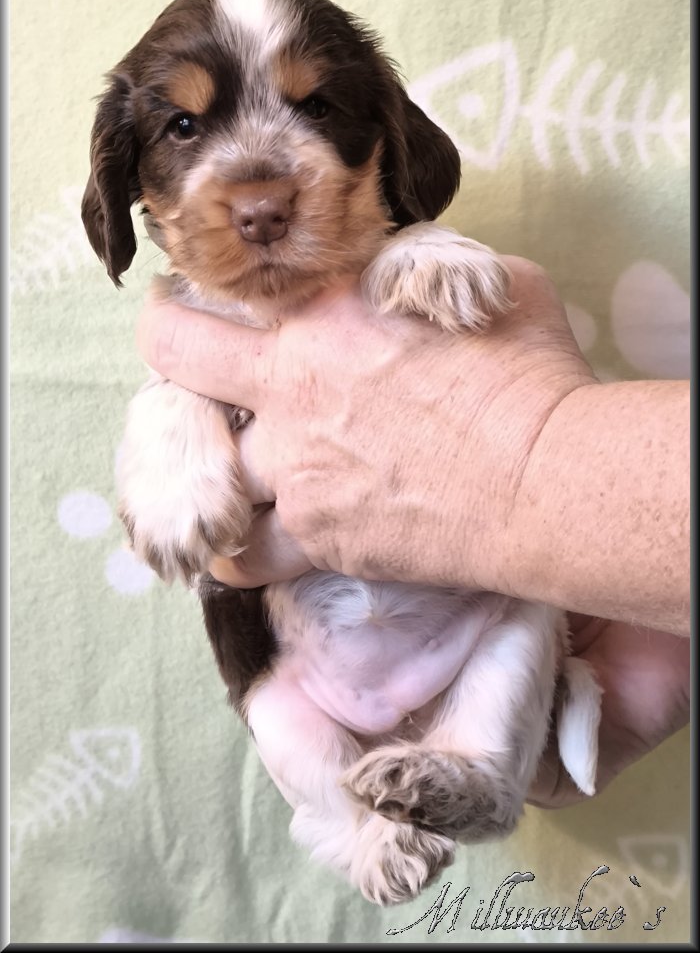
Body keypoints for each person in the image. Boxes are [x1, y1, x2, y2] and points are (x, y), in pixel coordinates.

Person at [136, 255, 690, 808]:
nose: (260, 217)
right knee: (299, 733)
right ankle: (376, 826)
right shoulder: (188, 332)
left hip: (477, 627)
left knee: (518, 616)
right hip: (308, 671)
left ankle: (467, 776)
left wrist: (528, 462)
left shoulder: (402, 261)